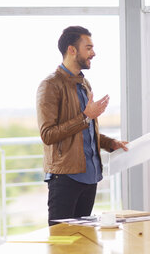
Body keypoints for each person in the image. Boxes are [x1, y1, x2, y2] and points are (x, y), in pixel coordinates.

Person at [37, 26, 128, 226]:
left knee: (84, 241)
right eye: (88, 48)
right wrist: (86, 117)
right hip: (65, 179)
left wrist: (110, 143)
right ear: (72, 50)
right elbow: (48, 134)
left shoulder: (84, 84)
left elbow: (86, 131)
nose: (93, 53)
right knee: (62, 243)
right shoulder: (50, 85)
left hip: (90, 177)